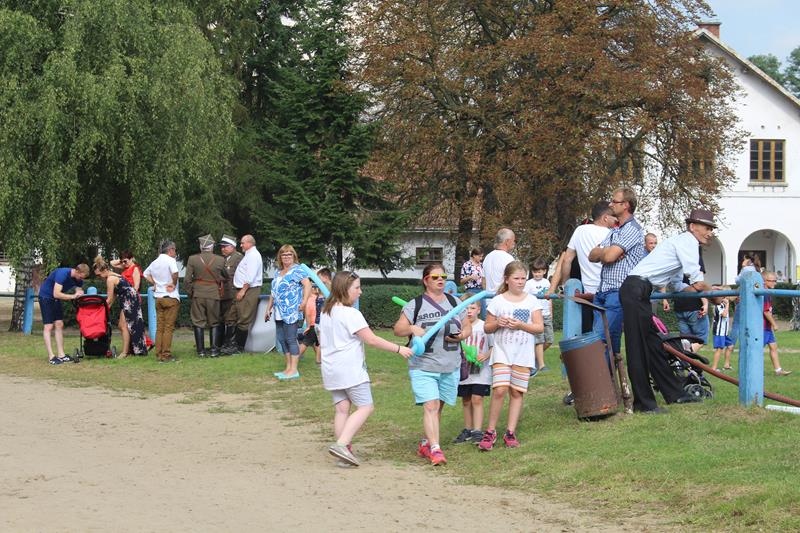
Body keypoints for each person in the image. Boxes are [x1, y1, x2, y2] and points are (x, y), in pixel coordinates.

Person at [619, 208, 722, 413]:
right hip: (635, 290)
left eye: (711, 229)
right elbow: (697, 282)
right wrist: (715, 295)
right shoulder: (688, 242)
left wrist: (706, 289)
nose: (710, 233)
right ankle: (644, 405)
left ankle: (675, 394)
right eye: (706, 228)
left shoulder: (682, 243)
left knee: (656, 347)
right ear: (693, 226)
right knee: (638, 350)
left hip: (639, 291)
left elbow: (679, 286)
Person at [321, 271, 413, 467]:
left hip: (331, 369)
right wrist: (399, 349)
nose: (360, 292)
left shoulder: (326, 311)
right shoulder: (351, 314)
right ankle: (341, 445)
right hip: (349, 369)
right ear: (344, 289)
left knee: (342, 410)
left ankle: (343, 454)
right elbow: (371, 339)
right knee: (366, 407)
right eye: (357, 288)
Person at [393, 263, 472, 466]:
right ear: (425, 280)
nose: (440, 280)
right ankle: (436, 450)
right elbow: (398, 329)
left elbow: (467, 326)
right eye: (435, 277)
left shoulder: (455, 302)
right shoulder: (416, 304)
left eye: (443, 277)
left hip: (450, 365)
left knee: (438, 407)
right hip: (423, 366)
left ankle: (426, 442)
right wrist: (412, 328)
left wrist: (462, 335)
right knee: (431, 406)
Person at [478, 261, 543, 451]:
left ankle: (510, 432)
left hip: (523, 354)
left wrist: (521, 325)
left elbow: (539, 327)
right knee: (499, 390)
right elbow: (487, 327)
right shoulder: (498, 301)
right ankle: (490, 432)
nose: (520, 282)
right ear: (507, 280)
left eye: (523, 278)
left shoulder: (532, 301)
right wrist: (498, 323)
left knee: (516, 392)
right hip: (502, 352)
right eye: (516, 278)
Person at [589, 188, 646, 361]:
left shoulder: (632, 229)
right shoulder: (615, 231)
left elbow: (608, 257)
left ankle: (601, 377)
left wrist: (606, 253)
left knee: (599, 340)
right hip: (602, 292)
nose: (610, 204)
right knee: (610, 343)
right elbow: (592, 255)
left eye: (614, 201)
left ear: (626, 205)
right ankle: (611, 377)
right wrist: (607, 252)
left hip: (617, 292)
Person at [547, 201, 617, 333]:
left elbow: (567, 260)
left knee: (586, 333)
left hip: (586, 292)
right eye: (614, 217)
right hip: (609, 291)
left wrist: (566, 285)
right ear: (605, 218)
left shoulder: (579, 231)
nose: (616, 221)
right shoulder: (612, 234)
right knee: (608, 333)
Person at [266, 244, 311, 380]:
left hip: (291, 310)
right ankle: (288, 368)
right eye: (284, 254)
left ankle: (294, 369)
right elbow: (273, 293)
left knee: (291, 339)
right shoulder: (278, 272)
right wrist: (268, 308)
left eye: (289, 254)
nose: (286, 257)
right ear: (280, 257)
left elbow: (307, 285)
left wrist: (304, 301)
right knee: (282, 339)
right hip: (279, 311)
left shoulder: (297, 270)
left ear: (293, 256)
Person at [452, 301, 493, 445]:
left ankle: (477, 431)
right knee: (466, 400)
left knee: (477, 399)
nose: (469, 311)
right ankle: (468, 430)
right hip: (463, 370)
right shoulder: (458, 327)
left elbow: (494, 346)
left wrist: (485, 355)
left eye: (472, 308)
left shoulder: (484, 327)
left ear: (479, 309)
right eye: (465, 308)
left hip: (481, 371)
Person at [93, 256, 147, 357]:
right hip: (131, 298)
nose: (99, 277)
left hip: (129, 300)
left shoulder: (110, 279)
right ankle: (131, 350)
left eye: (99, 275)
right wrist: (106, 308)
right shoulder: (115, 275)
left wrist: (98, 309)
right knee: (126, 325)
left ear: (104, 270)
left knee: (123, 325)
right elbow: (113, 297)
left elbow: (109, 299)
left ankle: (125, 352)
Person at [184, 234, 227, 357]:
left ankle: (201, 351)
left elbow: (187, 280)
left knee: (198, 322)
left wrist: (191, 292)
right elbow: (226, 276)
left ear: (200, 246)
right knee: (214, 322)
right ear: (212, 246)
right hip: (213, 293)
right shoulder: (220, 260)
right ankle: (214, 351)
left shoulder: (192, 259)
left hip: (198, 293)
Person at [39, 263, 89, 364]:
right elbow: (56, 293)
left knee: (59, 324)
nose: (81, 279)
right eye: (80, 277)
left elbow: (78, 288)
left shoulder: (78, 279)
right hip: (46, 297)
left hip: (56, 299)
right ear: (76, 271)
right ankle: (51, 357)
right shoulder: (62, 274)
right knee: (48, 326)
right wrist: (73, 296)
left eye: (82, 278)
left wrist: (79, 292)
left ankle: (61, 355)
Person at [223, 234, 263, 355]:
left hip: (248, 290)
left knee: (244, 318)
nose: (241, 245)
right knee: (234, 315)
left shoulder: (253, 256)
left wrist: (243, 290)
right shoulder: (249, 255)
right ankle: (230, 344)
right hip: (242, 289)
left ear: (250, 243)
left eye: (242, 243)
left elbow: (250, 276)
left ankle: (239, 347)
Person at [143, 241, 181, 363]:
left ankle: (158, 354)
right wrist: (173, 284)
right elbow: (175, 273)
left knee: (160, 328)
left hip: (158, 298)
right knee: (168, 327)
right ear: (170, 250)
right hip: (170, 297)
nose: (175, 253)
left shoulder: (155, 262)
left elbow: (145, 274)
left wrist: (155, 283)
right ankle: (166, 355)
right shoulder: (170, 260)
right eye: (175, 250)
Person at [110, 250, 153, 353]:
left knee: (125, 325)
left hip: (132, 300)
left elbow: (136, 287)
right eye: (122, 262)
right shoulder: (125, 267)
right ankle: (142, 344)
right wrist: (122, 260)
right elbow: (112, 263)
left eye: (125, 261)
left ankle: (135, 347)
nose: (124, 264)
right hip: (125, 300)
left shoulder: (135, 269)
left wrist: (130, 297)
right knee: (129, 325)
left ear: (131, 259)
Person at [298, 268, 332, 365]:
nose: (317, 280)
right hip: (317, 322)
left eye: (319, 277)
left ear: (325, 277)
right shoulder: (321, 290)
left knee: (316, 342)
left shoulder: (330, 289)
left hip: (322, 322)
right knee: (316, 342)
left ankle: (318, 361)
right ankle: (318, 361)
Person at [524, 257, 552, 373]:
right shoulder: (529, 284)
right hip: (536, 315)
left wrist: (550, 312)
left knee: (549, 340)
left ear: (544, 271)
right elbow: (525, 298)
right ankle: (541, 365)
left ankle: (532, 357)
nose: (537, 274)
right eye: (535, 272)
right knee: (539, 340)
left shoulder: (547, 282)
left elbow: (550, 299)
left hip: (546, 314)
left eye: (539, 271)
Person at [217, 234, 243, 352]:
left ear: (233, 246)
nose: (222, 249)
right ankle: (220, 344)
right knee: (221, 319)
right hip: (222, 294)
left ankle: (229, 344)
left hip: (232, 293)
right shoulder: (223, 259)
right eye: (221, 247)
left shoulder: (238, 258)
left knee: (230, 319)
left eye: (225, 246)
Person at [762, 272, 791, 376]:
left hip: (767, 327)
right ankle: (753, 370)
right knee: (757, 350)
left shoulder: (768, 292)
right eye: (772, 281)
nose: (775, 283)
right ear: (765, 281)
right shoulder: (765, 293)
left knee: (773, 347)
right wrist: (774, 324)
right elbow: (766, 311)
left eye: (775, 280)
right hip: (762, 327)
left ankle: (778, 370)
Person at [482, 228, 516, 293]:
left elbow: (483, 281)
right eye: (513, 240)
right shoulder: (508, 258)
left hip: (489, 297)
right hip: (503, 296)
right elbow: (513, 281)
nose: (514, 243)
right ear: (507, 241)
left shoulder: (487, 257)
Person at [711, 290, 733, 372]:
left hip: (724, 332)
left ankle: (726, 365)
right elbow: (724, 315)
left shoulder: (723, 304)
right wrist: (727, 304)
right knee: (719, 349)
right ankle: (713, 368)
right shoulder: (718, 306)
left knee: (730, 346)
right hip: (719, 331)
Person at [460, 248, 485, 315]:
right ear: (474, 255)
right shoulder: (466, 265)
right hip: (471, 290)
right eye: (479, 256)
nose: (481, 258)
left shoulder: (482, 265)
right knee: (471, 311)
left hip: (481, 290)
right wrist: (470, 277)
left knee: (484, 312)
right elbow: (461, 281)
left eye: (482, 256)